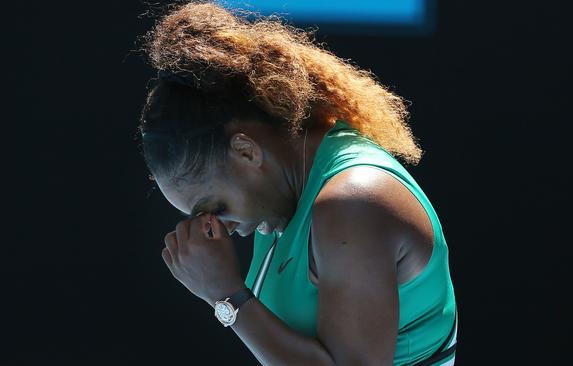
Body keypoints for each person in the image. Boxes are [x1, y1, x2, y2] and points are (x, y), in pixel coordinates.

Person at [137, 2, 457, 365]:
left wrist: (226, 295)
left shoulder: (353, 203)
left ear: (246, 152)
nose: (224, 230)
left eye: (216, 209)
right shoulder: (283, 193)